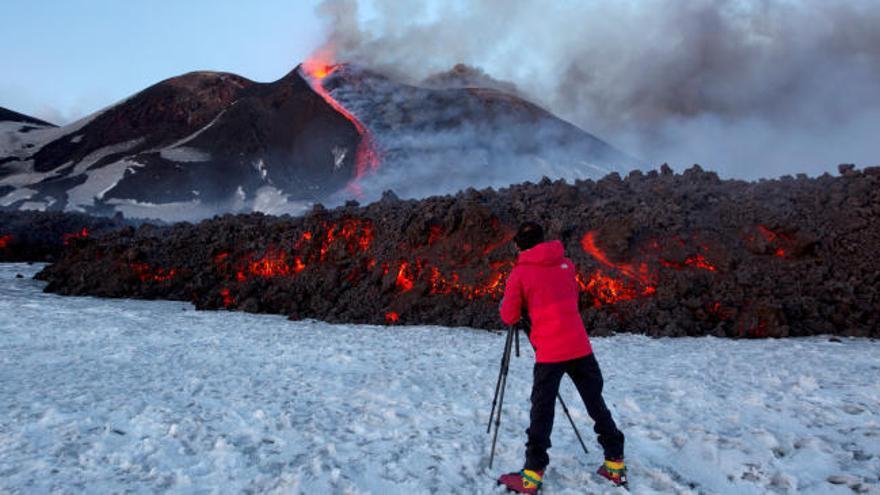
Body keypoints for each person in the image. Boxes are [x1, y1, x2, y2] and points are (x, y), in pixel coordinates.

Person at [496, 222, 626, 493]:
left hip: (550, 351)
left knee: (542, 410)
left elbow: (509, 316)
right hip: (579, 345)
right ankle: (615, 463)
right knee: (595, 402)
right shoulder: (566, 264)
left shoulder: (520, 273)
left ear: (519, 245)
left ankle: (531, 475)